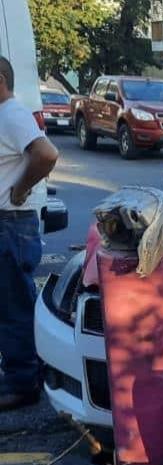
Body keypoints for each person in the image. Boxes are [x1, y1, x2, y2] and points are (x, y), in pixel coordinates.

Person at [0, 56, 59, 411]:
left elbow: (46, 154)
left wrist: (20, 189)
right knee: (9, 304)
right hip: (7, 224)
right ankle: (19, 372)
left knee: (14, 306)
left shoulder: (12, 114)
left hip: (11, 223)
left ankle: (23, 384)